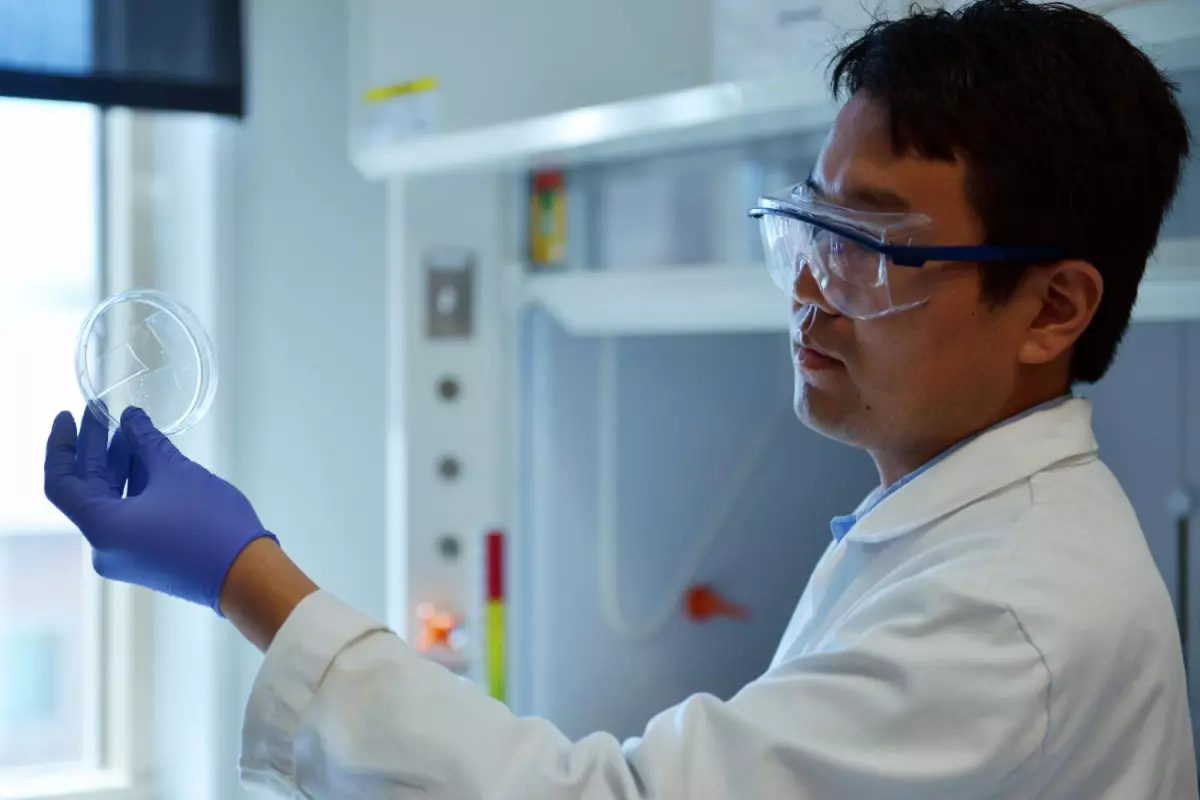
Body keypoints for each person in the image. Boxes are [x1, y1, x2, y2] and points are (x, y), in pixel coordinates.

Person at [42, 0, 1195, 796]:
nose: (806, 283)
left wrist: (244, 573)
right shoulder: (962, 538)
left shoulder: (1007, 615)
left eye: (870, 245)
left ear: (1053, 309)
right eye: (808, 222)